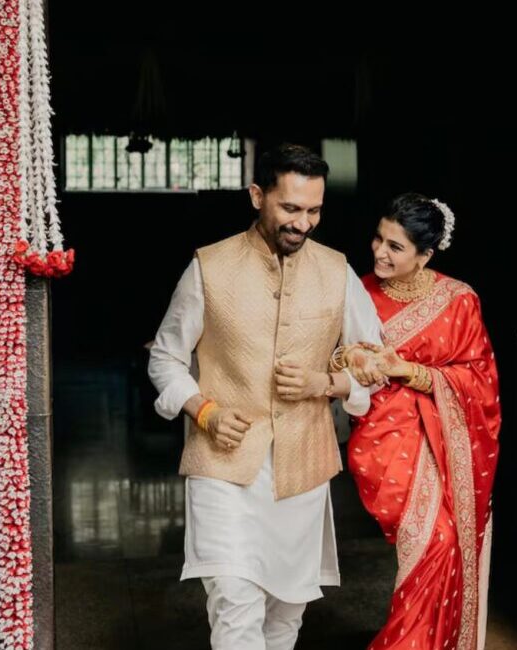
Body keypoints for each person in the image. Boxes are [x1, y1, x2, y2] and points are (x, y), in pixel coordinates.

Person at [147, 143, 383, 650]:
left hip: (304, 467)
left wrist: (326, 384)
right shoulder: (208, 268)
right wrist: (202, 409)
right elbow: (164, 358)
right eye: (290, 208)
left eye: (314, 210)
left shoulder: (337, 271)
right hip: (223, 466)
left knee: (285, 615)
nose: (303, 223)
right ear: (258, 196)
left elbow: (376, 365)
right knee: (234, 602)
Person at [343, 192, 502, 650]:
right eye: (378, 238)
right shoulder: (357, 292)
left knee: (443, 542)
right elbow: (332, 355)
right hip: (383, 439)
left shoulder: (459, 300)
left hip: (442, 441)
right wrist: (354, 359)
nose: (379, 251)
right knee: (432, 542)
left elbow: (480, 379)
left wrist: (408, 371)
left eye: (395, 246)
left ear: (425, 254)